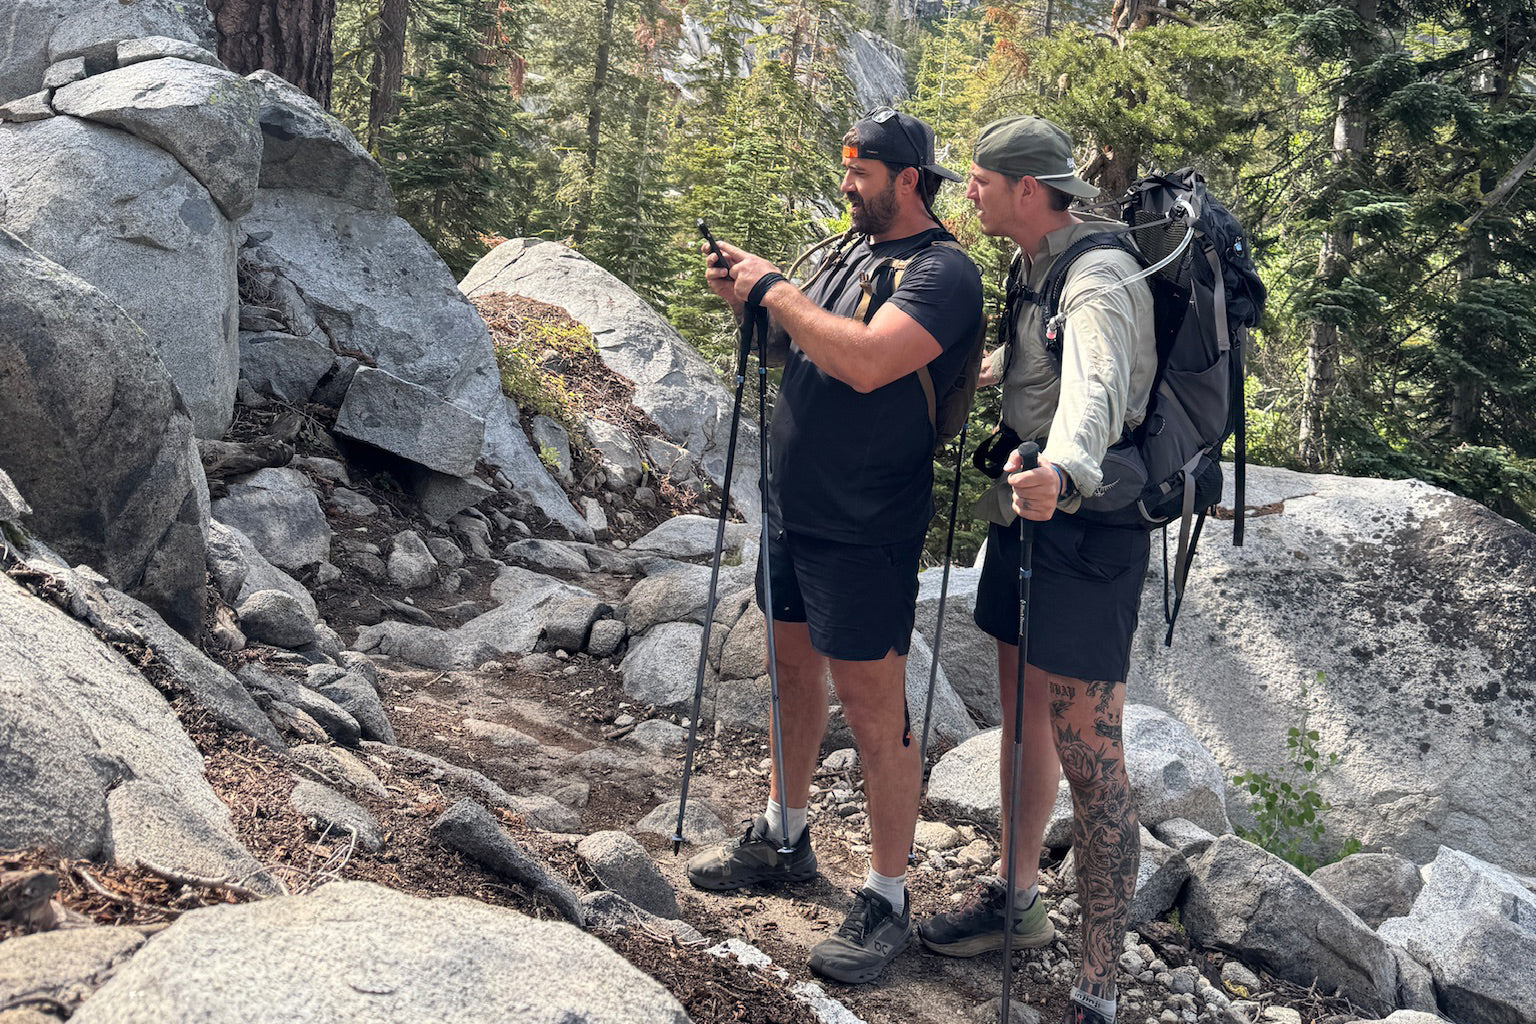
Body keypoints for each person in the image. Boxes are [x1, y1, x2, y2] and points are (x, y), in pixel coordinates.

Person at [685, 108, 983, 985]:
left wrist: (778, 290)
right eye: (847, 166)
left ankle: (888, 895)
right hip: (797, 508)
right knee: (788, 674)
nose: (849, 183)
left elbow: (864, 361)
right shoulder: (848, 252)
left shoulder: (945, 274)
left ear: (911, 180)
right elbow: (806, 352)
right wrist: (753, 301)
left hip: (867, 524)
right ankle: (786, 833)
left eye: (865, 170)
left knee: (874, 707)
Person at [915, 116, 1157, 1024]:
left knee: (1092, 752)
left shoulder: (1095, 275)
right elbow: (1043, 366)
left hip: (1087, 524)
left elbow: (1095, 388)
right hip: (1028, 502)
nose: (966, 192)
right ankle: (1017, 905)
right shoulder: (1034, 262)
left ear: (1027, 189)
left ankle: (1099, 981)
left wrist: (1066, 471)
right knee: (1023, 717)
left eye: (979, 180)